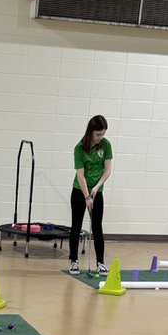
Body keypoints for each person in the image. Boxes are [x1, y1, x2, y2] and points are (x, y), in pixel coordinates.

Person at [69, 115, 113, 275]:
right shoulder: (79, 148)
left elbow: (107, 169)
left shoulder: (106, 145)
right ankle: (73, 261)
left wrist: (96, 187)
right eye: (98, 134)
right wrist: (87, 196)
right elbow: (80, 175)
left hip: (97, 191)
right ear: (90, 132)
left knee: (97, 226)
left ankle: (100, 263)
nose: (100, 137)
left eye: (102, 134)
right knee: (76, 226)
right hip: (79, 191)